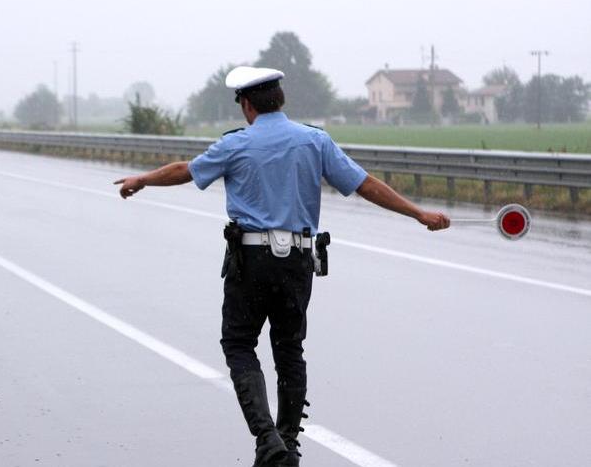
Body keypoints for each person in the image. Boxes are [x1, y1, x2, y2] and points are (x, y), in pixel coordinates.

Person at [114, 66, 450, 466]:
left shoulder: (236, 144)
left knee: (239, 343)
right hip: (298, 261)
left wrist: (143, 180)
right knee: (289, 349)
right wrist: (419, 213)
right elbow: (366, 184)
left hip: (250, 261)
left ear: (247, 105)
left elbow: (184, 171)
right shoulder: (315, 141)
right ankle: (287, 444)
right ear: (281, 100)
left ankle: (268, 439)